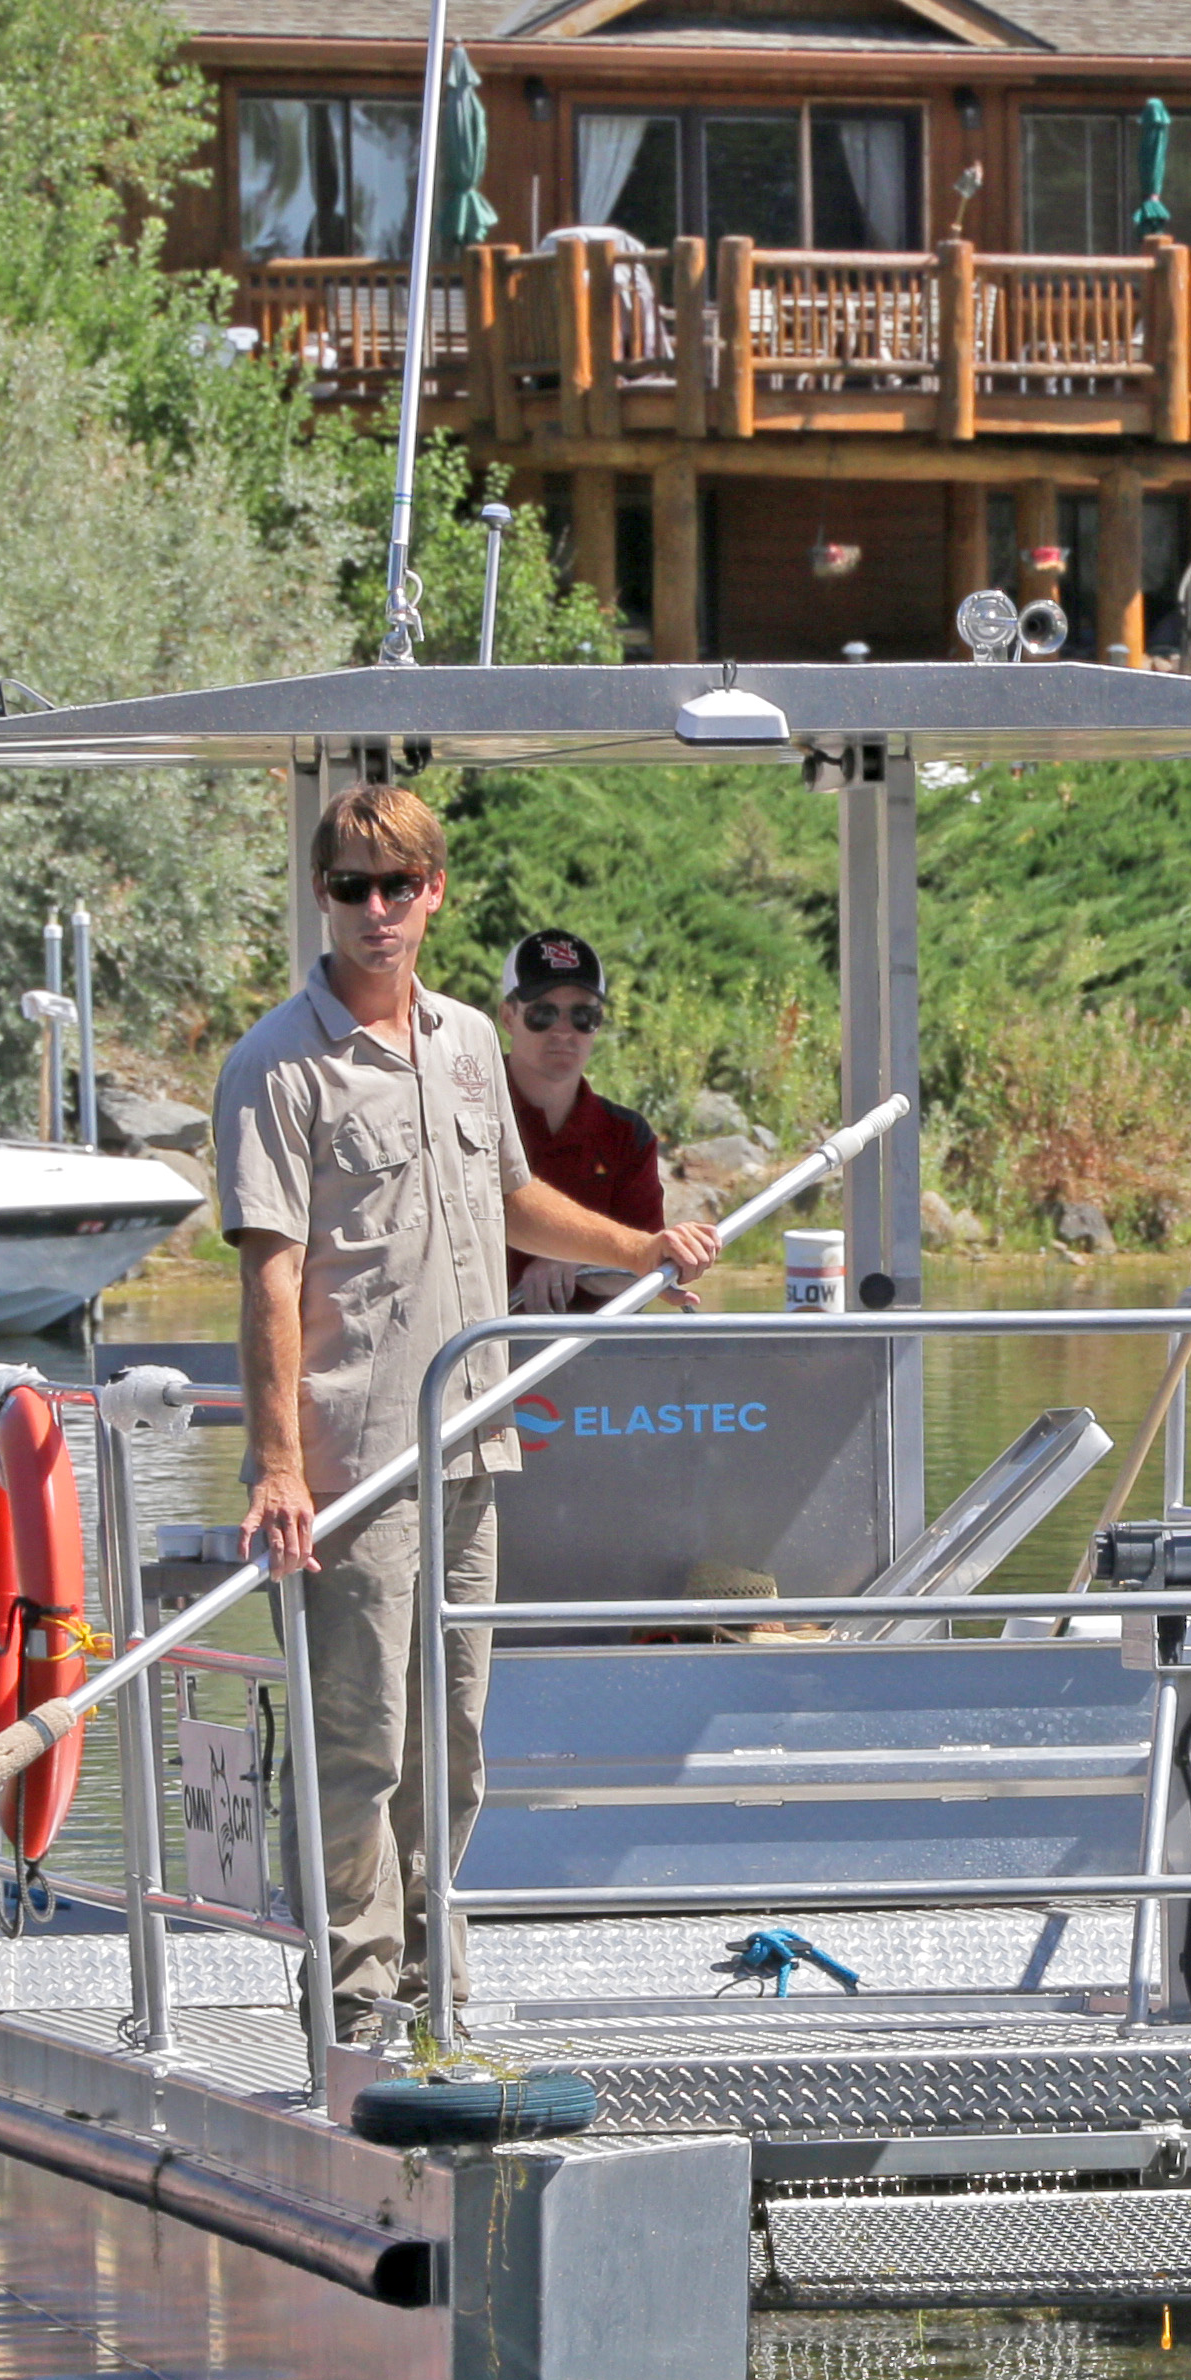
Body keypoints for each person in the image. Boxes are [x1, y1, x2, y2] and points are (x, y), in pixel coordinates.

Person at [217, 786, 716, 2041]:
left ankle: (436, 1983)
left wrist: (640, 1243)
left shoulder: (465, 1045)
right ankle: (351, 2000)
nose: (375, 911)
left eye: (398, 886)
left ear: (435, 893)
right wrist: (278, 1466)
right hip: (355, 1463)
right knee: (362, 1744)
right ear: (320, 896)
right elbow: (271, 1277)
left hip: (472, 1442)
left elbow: (511, 1200)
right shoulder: (276, 1066)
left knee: (454, 1740)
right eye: (350, 888)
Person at [493, 927, 668, 1313]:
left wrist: (574, 1257)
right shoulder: (470, 1117)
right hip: (480, 1348)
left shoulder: (627, 1136)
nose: (563, 1031)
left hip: (600, 1355)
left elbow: (650, 1263)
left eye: (583, 1016)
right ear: (508, 1016)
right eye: (543, 1013)